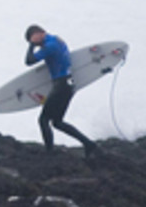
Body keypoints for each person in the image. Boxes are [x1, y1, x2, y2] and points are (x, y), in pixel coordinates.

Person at [24, 25, 98, 157]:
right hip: (68, 84)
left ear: (39, 34)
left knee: (43, 120)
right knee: (57, 122)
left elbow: (29, 61)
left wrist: (31, 45)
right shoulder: (56, 40)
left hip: (61, 85)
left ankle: (49, 153)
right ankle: (89, 144)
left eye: (34, 40)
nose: (36, 44)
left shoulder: (50, 46)